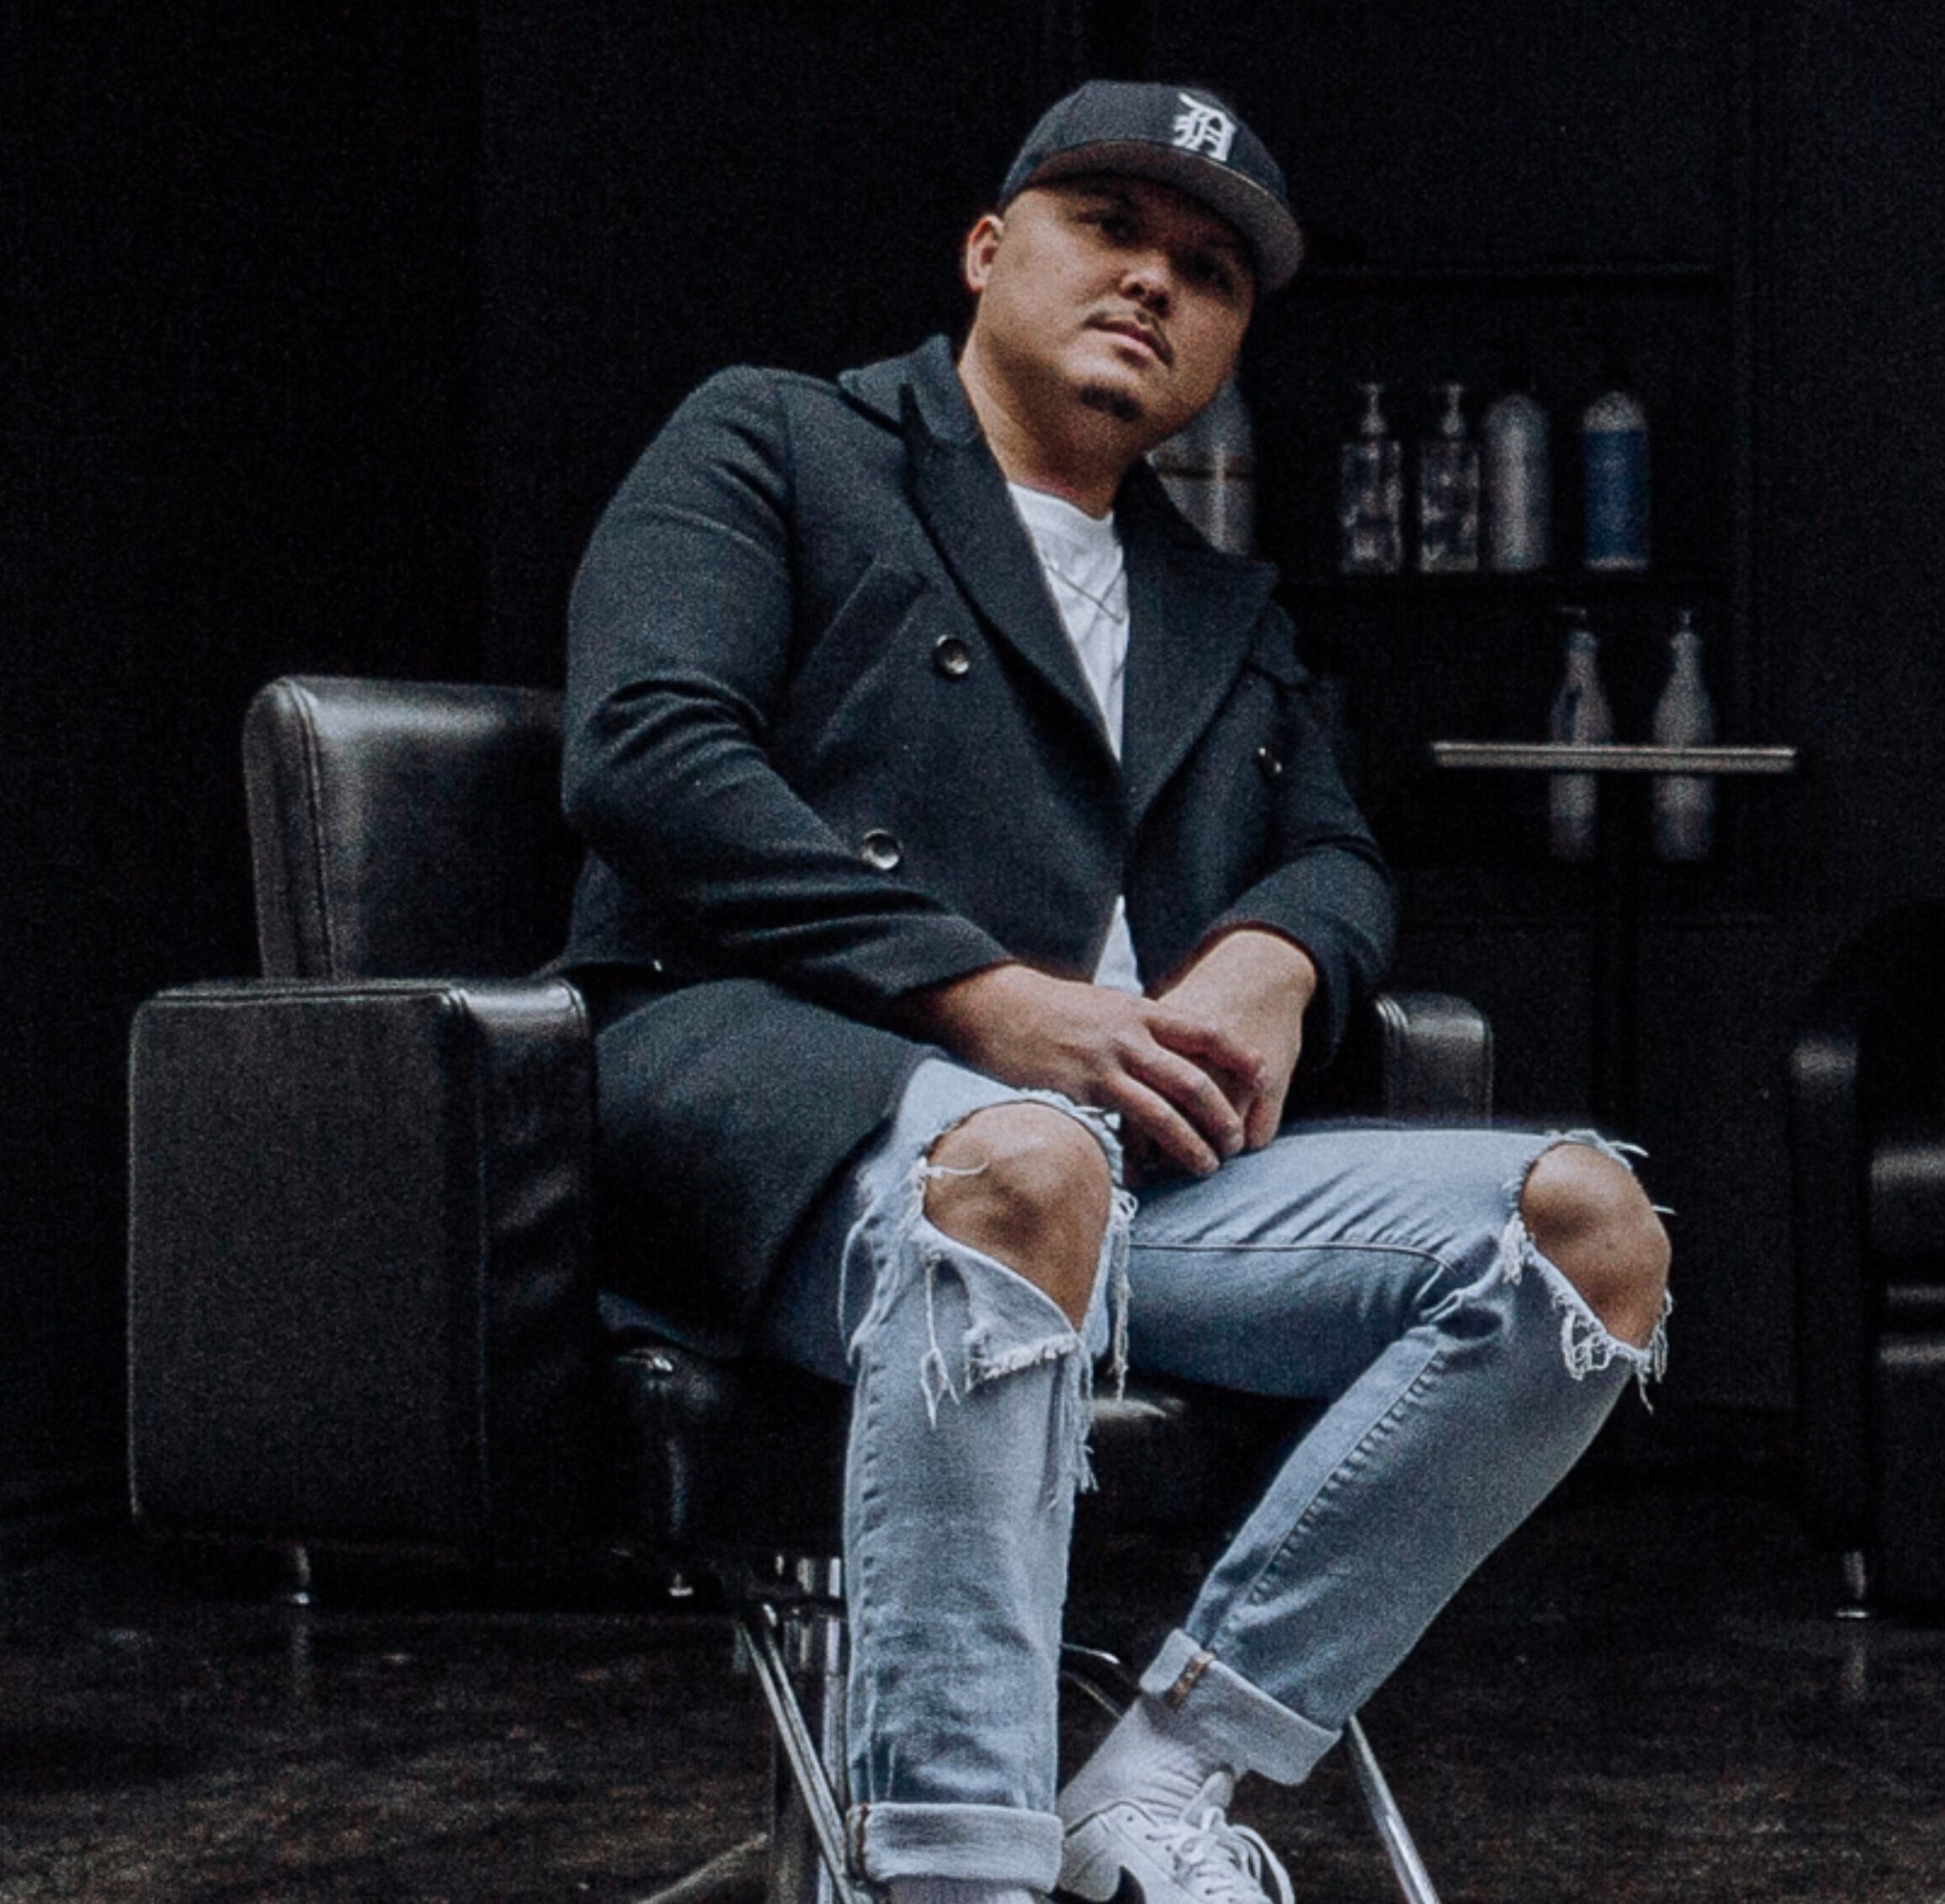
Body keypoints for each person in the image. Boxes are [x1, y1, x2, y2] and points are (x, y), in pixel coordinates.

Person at [559, 79, 1671, 1904]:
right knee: (1029, 1169)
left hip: (1133, 1178)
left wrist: (1280, 953)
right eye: (1113, 229)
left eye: (1211, 270)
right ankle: (952, 1869)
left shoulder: (1220, 602)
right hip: (780, 1102)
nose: (1158, 282)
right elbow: (647, 754)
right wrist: (974, 993)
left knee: (1587, 1231)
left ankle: (1164, 1772)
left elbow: (1339, 848)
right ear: (990, 251)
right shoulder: (777, 443)